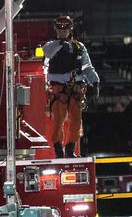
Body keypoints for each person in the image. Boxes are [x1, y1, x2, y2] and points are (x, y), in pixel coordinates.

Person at [42, 15, 99, 158]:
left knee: (76, 120)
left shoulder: (79, 47)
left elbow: (87, 67)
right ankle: (58, 150)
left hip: (76, 88)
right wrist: (60, 43)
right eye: (60, 28)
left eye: (65, 28)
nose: (62, 31)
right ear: (55, 29)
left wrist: (95, 82)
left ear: (70, 29)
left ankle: (69, 149)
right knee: (58, 120)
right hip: (58, 89)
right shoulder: (50, 46)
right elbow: (47, 53)